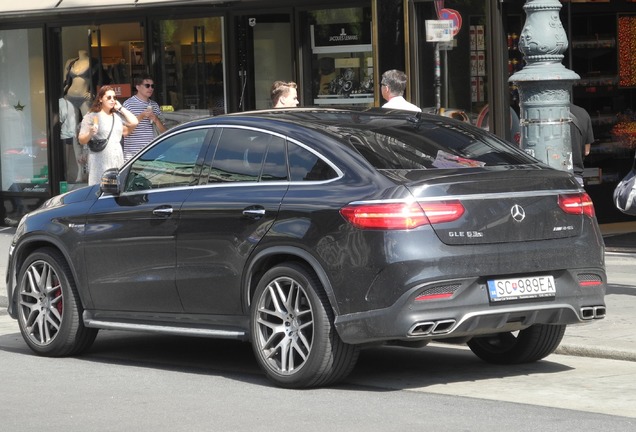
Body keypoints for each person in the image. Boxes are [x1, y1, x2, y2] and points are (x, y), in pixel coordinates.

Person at [78, 85, 138, 186]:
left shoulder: (117, 117)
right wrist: (90, 133)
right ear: (101, 99)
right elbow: (81, 140)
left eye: (114, 98)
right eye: (109, 97)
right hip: (99, 160)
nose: (112, 100)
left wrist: (120, 108)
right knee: (99, 189)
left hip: (116, 159)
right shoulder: (92, 116)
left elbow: (134, 122)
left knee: (116, 189)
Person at [122, 74, 167, 161]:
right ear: (138, 87)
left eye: (152, 86)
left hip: (153, 154)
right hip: (133, 155)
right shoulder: (128, 105)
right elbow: (124, 132)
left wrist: (156, 120)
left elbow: (164, 132)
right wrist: (141, 116)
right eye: (147, 85)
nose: (150, 88)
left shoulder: (154, 105)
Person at [63, 50, 98, 116]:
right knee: (72, 125)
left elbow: (99, 81)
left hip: (84, 98)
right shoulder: (70, 62)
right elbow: (65, 81)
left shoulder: (94, 62)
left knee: (88, 123)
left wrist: (93, 94)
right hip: (70, 97)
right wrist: (63, 94)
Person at [59, 96, 85, 183]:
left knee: (67, 159)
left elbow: (60, 118)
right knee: (77, 156)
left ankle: (67, 177)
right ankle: (78, 175)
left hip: (68, 132)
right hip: (75, 132)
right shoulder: (75, 101)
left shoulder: (63, 102)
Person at [570, 103, 595, 186]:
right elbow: (586, 151)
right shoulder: (582, 112)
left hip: (548, 177)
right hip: (576, 175)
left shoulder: (539, 112)